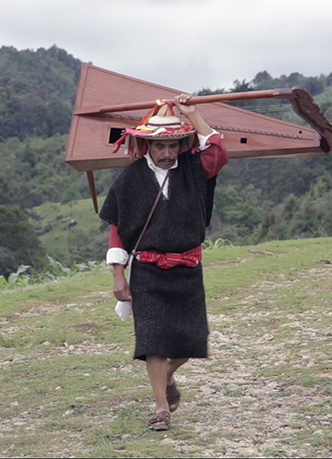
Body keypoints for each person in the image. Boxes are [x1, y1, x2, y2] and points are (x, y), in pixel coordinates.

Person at [99, 94, 229, 431]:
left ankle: (168, 374)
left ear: (181, 143)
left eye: (173, 145)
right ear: (146, 145)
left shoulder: (193, 168)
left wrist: (193, 114)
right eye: (160, 146)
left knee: (190, 341)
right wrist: (118, 276)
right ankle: (161, 408)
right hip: (147, 272)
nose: (167, 153)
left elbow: (218, 152)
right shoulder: (129, 180)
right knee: (152, 340)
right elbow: (118, 230)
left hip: (187, 268)